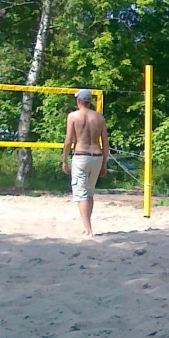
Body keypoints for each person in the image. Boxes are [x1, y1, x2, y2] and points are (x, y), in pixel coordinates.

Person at [62, 89, 108, 237]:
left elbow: (69, 140)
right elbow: (105, 143)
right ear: (90, 101)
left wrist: (64, 159)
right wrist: (105, 163)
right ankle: (87, 225)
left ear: (79, 101)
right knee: (89, 192)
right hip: (97, 155)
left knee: (81, 193)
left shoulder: (73, 116)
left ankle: (88, 229)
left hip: (81, 155)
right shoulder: (99, 118)